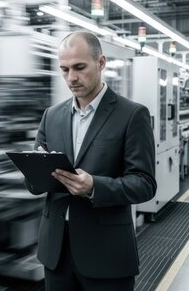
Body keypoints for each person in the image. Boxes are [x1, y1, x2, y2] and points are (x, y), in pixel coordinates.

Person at [27, 31, 157, 291]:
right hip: (56, 253)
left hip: (106, 254)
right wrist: (35, 173)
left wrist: (94, 186)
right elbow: (33, 184)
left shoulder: (132, 115)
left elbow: (144, 183)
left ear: (101, 63)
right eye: (64, 69)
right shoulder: (51, 116)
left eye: (79, 67)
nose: (71, 78)